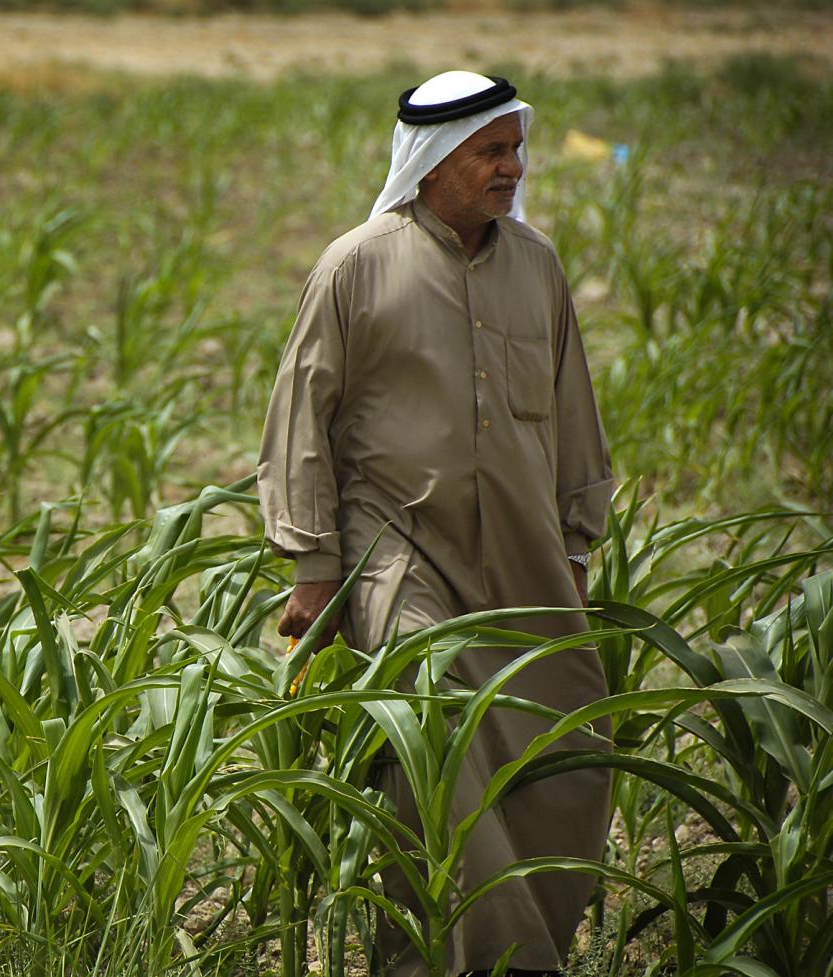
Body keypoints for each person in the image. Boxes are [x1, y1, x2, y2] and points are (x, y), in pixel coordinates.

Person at [257, 71, 615, 977]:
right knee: (434, 732)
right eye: (490, 151)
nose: (513, 167)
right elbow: (302, 414)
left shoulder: (537, 265)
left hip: (527, 554)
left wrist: (576, 541)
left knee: (566, 751)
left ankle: (501, 949)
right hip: (397, 552)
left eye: (515, 148)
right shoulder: (356, 265)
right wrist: (313, 564)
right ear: (431, 163)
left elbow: (572, 410)